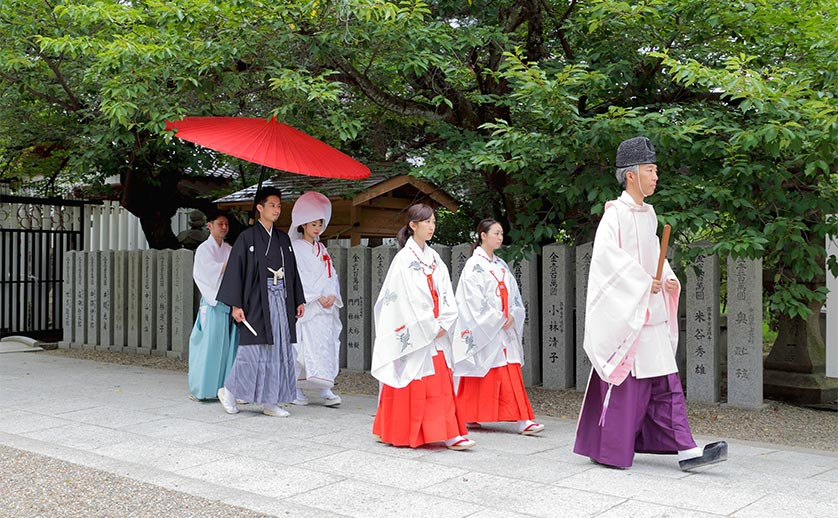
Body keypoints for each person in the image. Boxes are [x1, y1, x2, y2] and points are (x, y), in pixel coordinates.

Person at [573, 136, 727, 470]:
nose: (656, 177)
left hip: (649, 309)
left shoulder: (649, 215)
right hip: (630, 314)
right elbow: (607, 264)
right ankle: (611, 449)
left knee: (667, 382)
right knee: (632, 383)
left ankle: (686, 450)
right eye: (650, 170)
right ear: (631, 175)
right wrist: (644, 283)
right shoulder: (614, 216)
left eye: (655, 170)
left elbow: (655, 256)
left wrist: (667, 276)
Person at [371, 203, 475, 450]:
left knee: (439, 380)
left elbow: (446, 292)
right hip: (417, 327)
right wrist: (429, 324)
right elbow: (403, 300)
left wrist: (446, 320)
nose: (432, 226)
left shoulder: (435, 257)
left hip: (437, 325)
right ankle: (401, 430)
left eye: (434, 222)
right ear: (413, 225)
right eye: (427, 222)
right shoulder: (403, 260)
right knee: (417, 380)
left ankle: (448, 431)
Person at [215, 187, 306, 417]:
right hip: (257, 300)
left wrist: (298, 299)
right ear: (260, 208)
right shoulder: (247, 238)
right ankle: (229, 390)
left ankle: (270, 401)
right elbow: (236, 271)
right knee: (252, 350)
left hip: (280, 298)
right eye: (272, 205)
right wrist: (236, 305)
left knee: (278, 349)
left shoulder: (283, 238)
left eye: (279, 205)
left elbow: (293, 272)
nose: (277, 209)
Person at [451, 219, 544, 436]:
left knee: (508, 369)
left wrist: (512, 313)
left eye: (502, 233)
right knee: (480, 371)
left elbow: (513, 294)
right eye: (496, 233)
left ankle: (523, 419)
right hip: (487, 327)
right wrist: (496, 318)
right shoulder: (473, 265)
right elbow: (472, 300)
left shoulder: (500, 264)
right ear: (483, 235)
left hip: (503, 326)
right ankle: (470, 415)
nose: (500, 237)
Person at [288, 191, 343, 407]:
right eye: (313, 224)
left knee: (325, 345)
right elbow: (298, 276)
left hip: (325, 307)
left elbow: (332, 274)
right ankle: (297, 388)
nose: (317, 228)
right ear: (303, 225)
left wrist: (331, 294)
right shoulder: (296, 248)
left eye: (320, 223)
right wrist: (315, 296)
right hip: (309, 305)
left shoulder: (322, 249)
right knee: (303, 346)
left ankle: (324, 387)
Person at [187, 212, 239, 400]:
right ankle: (202, 389)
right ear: (209, 225)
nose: (224, 227)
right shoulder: (203, 249)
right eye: (220, 224)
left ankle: (221, 389)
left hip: (228, 303)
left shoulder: (228, 248)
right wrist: (226, 266)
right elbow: (205, 273)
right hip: (212, 302)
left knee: (226, 349)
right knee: (209, 347)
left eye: (226, 224)